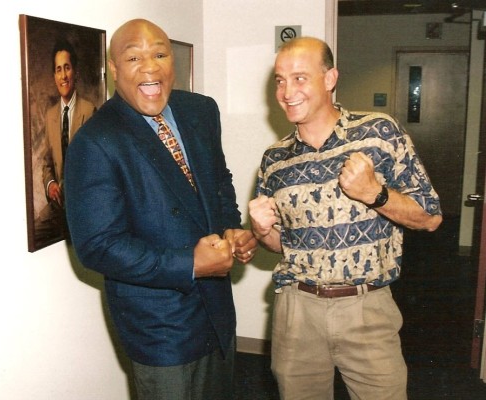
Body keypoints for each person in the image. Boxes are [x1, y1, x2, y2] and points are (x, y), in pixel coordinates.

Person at [64, 19, 257, 400]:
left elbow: (218, 181)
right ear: (114, 71)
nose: (150, 67)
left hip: (217, 310)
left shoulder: (201, 110)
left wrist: (231, 227)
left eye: (159, 54)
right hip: (160, 328)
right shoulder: (95, 141)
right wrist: (190, 264)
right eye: (133, 57)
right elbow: (98, 246)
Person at [249, 37, 442, 400]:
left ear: (330, 78)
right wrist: (263, 231)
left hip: (366, 307)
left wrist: (375, 194)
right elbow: (281, 244)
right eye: (280, 79)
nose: (287, 91)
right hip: (297, 309)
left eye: (300, 78)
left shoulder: (379, 133)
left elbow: (430, 217)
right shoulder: (274, 160)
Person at [36, 38, 96, 241]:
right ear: (54, 76)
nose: (63, 75)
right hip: (57, 204)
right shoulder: (50, 115)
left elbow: (96, 166)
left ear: (75, 72)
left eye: (67, 68)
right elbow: (46, 163)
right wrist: (51, 184)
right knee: (36, 233)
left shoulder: (89, 111)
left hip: (82, 204)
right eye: (58, 69)